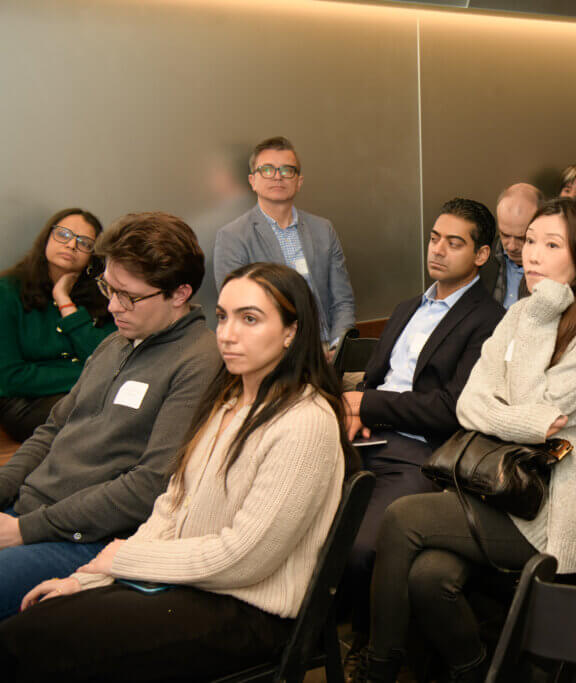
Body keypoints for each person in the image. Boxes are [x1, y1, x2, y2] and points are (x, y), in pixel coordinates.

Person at [0, 262, 358, 682]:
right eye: (223, 316)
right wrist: (90, 579)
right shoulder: (227, 402)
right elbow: (170, 507)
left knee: (27, 644)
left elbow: (244, 559)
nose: (227, 333)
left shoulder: (304, 421)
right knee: (33, 624)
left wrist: (127, 558)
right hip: (185, 585)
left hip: (248, 610)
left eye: (250, 319)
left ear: (291, 332)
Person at [355, 197, 576, 683]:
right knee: (428, 579)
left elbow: (536, 404)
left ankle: (378, 671)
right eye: (530, 242)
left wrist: (542, 311)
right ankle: (480, 673)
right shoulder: (521, 313)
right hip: (497, 489)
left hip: (553, 511)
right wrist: (521, 414)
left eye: (551, 245)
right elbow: (471, 405)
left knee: (402, 517)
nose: (532, 255)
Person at [0, 212, 221, 619]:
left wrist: (24, 530)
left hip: (84, 538)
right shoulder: (117, 341)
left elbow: (148, 486)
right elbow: (52, 429)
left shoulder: (200, 362)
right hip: (29, 511)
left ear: (180, 293)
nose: (112, 305)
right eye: (108, 287)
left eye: (129, 296)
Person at [340, 198, 505, 660]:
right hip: (363, 437)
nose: (438, 250)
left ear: (480, 255)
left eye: (454, 243)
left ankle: (364, 646)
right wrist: (355, 410)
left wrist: (367, 404)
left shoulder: (488, 320)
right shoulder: (407, 306)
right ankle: (305, 634)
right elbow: (373, 378)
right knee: (297, 522)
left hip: (420, 451)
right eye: (435, 238)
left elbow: (452, 408)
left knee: (358, 548)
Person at [214, 135, 356, 349]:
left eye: (287, 170)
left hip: (325, 349)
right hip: (270, 353)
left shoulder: (323, 230)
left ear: (298, 181)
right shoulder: (233, 237)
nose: (277, 177)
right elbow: (237, 309)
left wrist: (338, 349)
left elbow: (342, 300)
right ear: (253, 181)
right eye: (268, 170)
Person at [0, 209, 115, 441]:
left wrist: (64, 301)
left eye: (84, 242)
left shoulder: (104, 295)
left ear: (93, 256)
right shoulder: (8, 290)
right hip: (26, 401)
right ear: (47, 238)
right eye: (63, 234)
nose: (72, 244)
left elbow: (107, 359)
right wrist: (89, 374)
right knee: (93, 418)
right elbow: (9, 377)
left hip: (87, 394)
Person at [480, 183, 543, 308]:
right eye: (505, 235)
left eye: (522, 238)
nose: (512, 246)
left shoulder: (555, 267)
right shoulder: (482, 259)